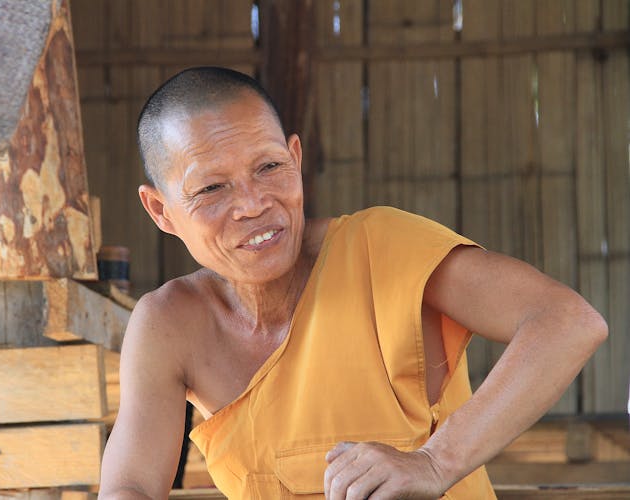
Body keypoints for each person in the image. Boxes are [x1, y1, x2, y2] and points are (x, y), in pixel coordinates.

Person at [98, 67, 608, 500]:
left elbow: (568, 322)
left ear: (295, 159)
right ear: (160, 210)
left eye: (270, 167)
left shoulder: (378, 249)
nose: (253, 204)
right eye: (211, 188)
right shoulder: (170, 324)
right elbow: (130, 487)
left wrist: (435, 462)